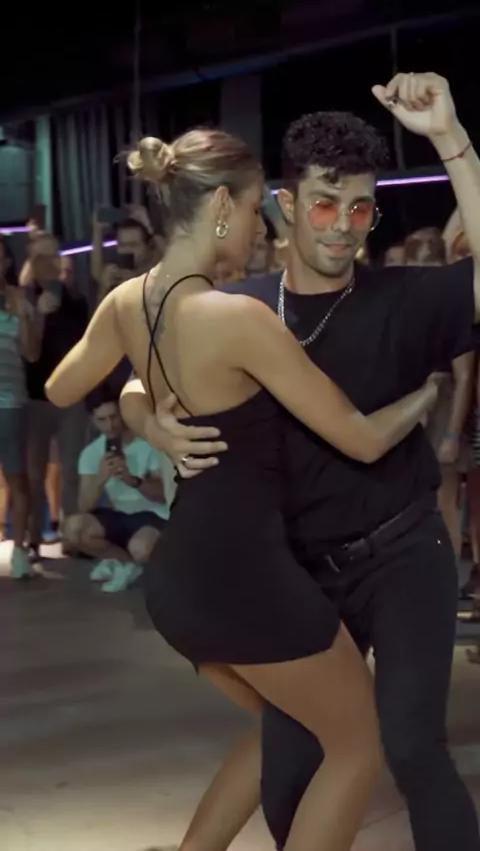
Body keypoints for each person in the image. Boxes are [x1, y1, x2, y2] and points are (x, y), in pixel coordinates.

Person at [44, 123, 439, 851]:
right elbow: (359, 437)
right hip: (244, 577)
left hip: (178, 583)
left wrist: (146, 413)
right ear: (223, 205)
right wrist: (426, 397)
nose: (264, 226)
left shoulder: (128, 301)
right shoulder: (237, 317)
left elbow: (63, 386)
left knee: (286, 725)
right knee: (356, 745)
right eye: (258, 208)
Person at [121, 73, 480, 851]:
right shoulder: (238, 307)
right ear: (284, 205)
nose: (343, 226)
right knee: (288, 769)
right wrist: (152, 422)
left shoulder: (406, 299)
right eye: (324, 204)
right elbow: (136, 381)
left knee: (412, 744)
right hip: (298, 574)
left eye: (360, 207)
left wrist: (450, 138)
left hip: (404, 551)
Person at [404, 227, 474, 558]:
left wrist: (451, 435)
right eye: (416, 267)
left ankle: (449, 572)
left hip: (442, 403)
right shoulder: (406, 308)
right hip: (410, 403)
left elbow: (463, 376)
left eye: (430, 267)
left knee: (445, 498)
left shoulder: (454, 310)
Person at [64, 387, 176, 593]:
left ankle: (127, 564)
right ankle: (125, 564)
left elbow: (163, 495)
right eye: (102, 420)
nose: (110, 425)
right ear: (92, 420)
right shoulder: (91, 453)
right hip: (120, 515)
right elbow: (84, 506)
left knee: (141, 548)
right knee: (73, 528)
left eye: (114, 417)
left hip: (154, 516)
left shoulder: (147, 444)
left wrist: (132, 480)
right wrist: (99, 480)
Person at [24, 233, 89, 560]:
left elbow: (86, 346)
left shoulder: (75, 300)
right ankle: (33, 540)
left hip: (71, 397)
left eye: (53, 256)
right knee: (34, 474)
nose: (48, 263)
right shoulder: (22, 300)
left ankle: (72, 537)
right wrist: (38, 314)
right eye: (41, 257)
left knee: (72, 471)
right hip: (35, 399)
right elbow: (28, 353)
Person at [0, 237, 39, 577]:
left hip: (11, 401)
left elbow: (31, 353)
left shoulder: (18, 299)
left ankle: (19, 550)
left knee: (16, 476)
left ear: (6, 263)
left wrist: (22, 314)